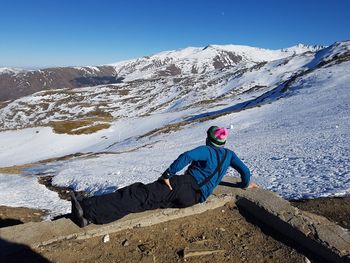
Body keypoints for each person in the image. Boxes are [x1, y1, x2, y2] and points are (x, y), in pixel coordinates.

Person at [71, 126, 255, 227]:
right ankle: (91, 218)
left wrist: (168, 174)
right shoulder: (229, 154)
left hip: (184, 185)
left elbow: (187, 156)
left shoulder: (206, 150)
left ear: (209, 139)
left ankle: (86, 208)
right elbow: (245, 173)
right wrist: (245, 185)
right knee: (145, 204)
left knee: (138, 193)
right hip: (194, 198)